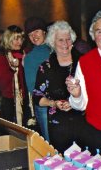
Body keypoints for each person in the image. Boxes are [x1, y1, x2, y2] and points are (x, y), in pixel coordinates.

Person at [66, 9, 101, 162]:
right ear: (93, 36)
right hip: (97, 134)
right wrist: (76, 95)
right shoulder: (85, 62)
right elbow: (80, 105)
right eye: (99, 31)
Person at [32, 21, 83, 151]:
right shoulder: (45, 67)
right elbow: (37, 96)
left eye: (68, 39)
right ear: (53, 43)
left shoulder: (84, 62)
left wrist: (76, 102)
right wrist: (53, 103)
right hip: (58, 125)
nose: (65, 44)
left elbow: (96, 90)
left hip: (84, 121)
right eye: (60, 40)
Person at [24, 16, 51, 141]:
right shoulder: (30, 58)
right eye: (30, 34)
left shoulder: (57, 49)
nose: (34, 36)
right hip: (44, 105)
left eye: (36, 31)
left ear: (44, 31)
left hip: (65, 101)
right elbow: (31, 87)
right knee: (50, 142)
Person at [0, 25, 27, 125]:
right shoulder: (2, 57)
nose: (20, 42)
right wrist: (12, 69)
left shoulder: (25, 54)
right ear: (8, 40)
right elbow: (2, 83)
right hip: (10, 101)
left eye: (21, 38)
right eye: (16, 39)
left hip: (26, 98)